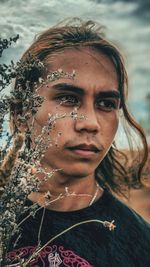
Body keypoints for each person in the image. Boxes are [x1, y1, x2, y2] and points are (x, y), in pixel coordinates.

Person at [5, 19, 150, 267]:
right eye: (68, 98)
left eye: (106, 104)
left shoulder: (140, 244)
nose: (91, 123)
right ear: (21, 115)